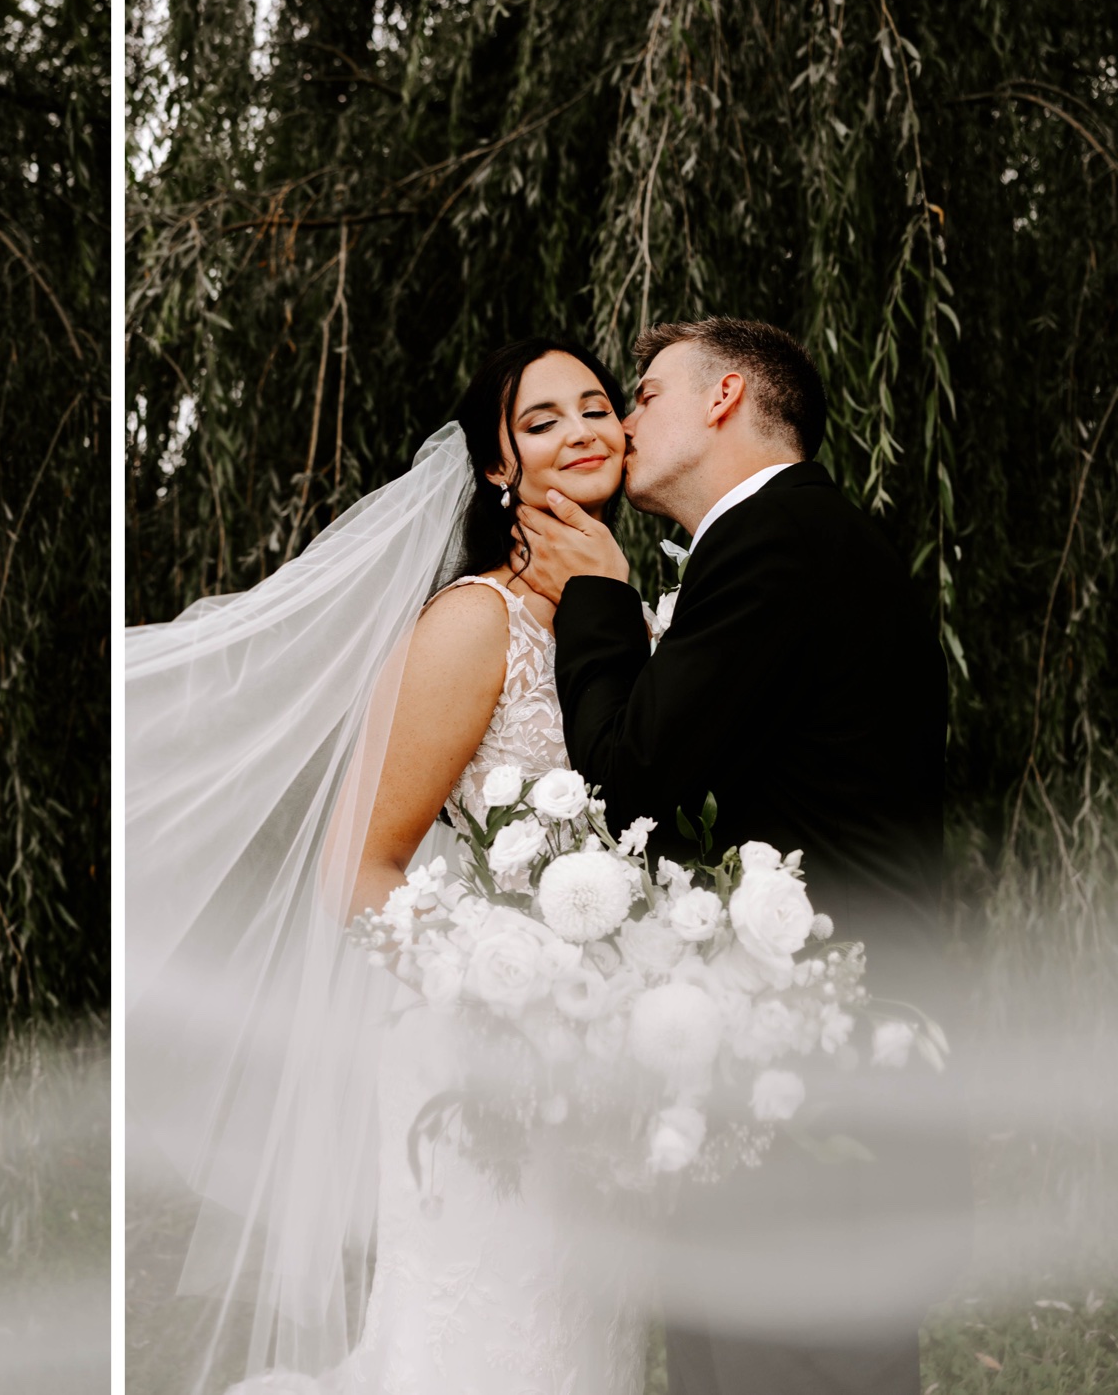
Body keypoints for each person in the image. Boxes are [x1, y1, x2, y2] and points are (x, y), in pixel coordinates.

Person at [127, 339, 646, 1394]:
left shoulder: (621, 618)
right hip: (475, 1047)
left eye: (596, 405)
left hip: (604, 1058)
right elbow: (358, 865)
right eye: (541, 419)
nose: (583, 428)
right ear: (496, 467)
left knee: (589, 1328)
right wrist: (510, 990)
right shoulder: (471, 622)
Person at [516, 316, 968, 1395]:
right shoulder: (796, 543)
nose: (621, 422)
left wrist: (595, 596)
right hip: (804, 1057)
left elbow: (627, 771)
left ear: (720, 399)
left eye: (641, 393)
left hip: (818, 1081)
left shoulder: (775, 543)